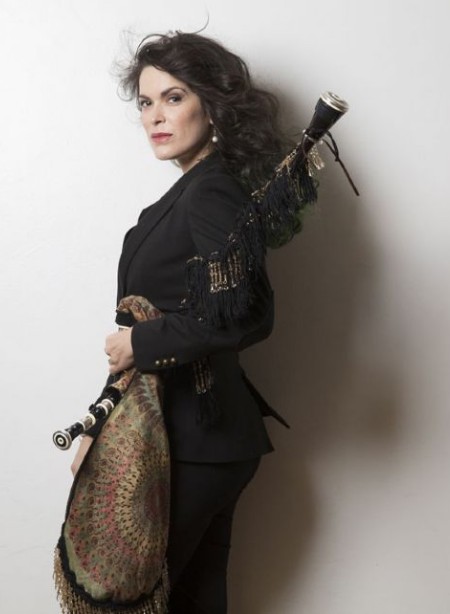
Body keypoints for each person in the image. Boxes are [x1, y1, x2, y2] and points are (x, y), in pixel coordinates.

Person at [70, 31, 290, 614]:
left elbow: (249, 311)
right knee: (193, 603)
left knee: (128, 603)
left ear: (211, 105)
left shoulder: (211, 192)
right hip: (195, 438)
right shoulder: (194, 191)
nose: (154, 116)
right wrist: (99, 422)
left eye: (173, 97)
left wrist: (143, 342)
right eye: (146, 102)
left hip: (193, 441)